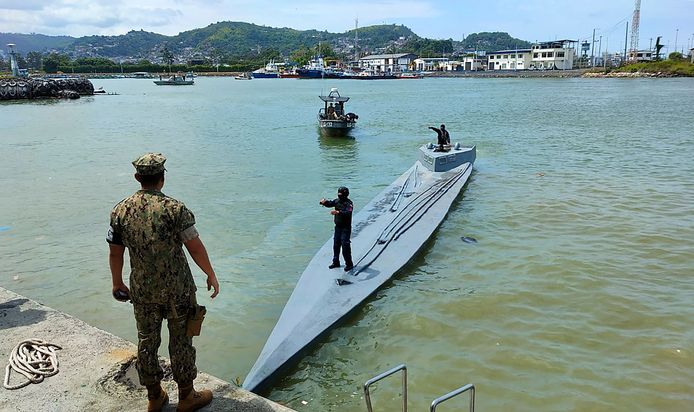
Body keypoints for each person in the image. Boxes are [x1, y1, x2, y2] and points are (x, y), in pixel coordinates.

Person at [107, 153, 220, 412]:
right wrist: (210, 274)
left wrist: (117, 283)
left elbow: (115, 252)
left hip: (142, 291)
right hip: (177, 290)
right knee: (181, 340)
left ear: (137, 178)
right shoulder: (175, 209)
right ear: (163, 178)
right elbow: (194, 246)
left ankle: (155, 396)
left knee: (147, 340)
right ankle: (187, 396)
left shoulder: (120, 210)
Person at [319, 186, 354, 272]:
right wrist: (324, 202)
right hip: (338, 227)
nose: (339, 196)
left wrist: (339, 212)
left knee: (345, 245)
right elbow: (330, 204)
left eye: (341, 194)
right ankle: (336, 262)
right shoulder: (337, 201)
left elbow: (348, 212)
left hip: (346, 228)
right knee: (336, 245)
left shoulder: (349, 203)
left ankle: (349, 264)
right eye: (338, 194)